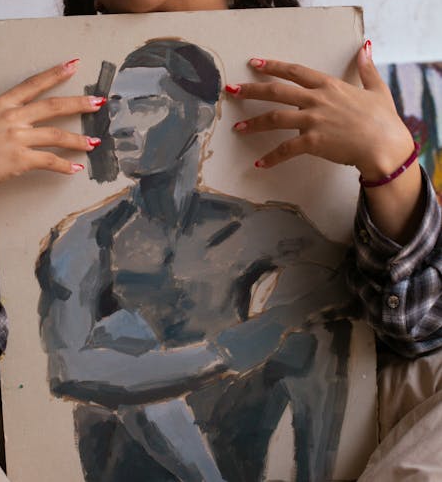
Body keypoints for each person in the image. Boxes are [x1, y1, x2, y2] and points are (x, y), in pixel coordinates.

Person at [0, 0, 439, 482]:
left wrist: (390, 165)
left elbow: (415, 340)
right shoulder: (52, 183)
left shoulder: (328, 131)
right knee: (109, 343)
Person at [36, 38, 353, 482]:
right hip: (133, 469)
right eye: (117, 107)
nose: (119, 125)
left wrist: (284, 316)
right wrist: (221, 353)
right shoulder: (87, 238)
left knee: (312, 326)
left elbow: (354, 281)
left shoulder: (256, 228)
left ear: (201, 115)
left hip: (231, 450)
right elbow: (67, 370)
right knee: (121, 334)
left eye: (145, 106)